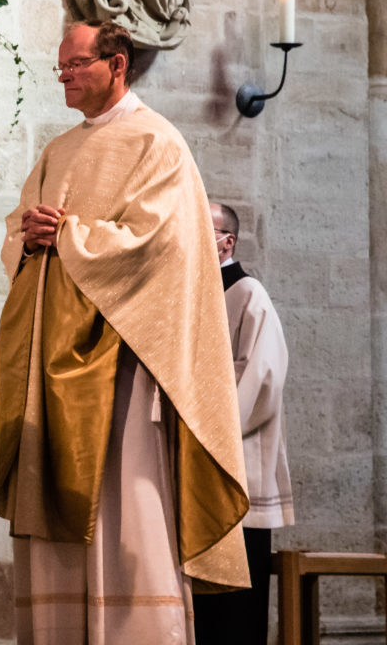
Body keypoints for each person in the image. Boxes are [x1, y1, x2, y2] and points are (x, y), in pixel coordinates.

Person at [0, 21, 249, 642]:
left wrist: (70, 236)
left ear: (117, 64)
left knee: (124, 506)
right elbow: (21, 236)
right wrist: (28, 238)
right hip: (52, 360)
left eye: (76, 65)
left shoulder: (157, 143)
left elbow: (159, 246)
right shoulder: (57, 149)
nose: (66, 77)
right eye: (60, 68)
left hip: (123, 368)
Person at [193, 202, 292, 645]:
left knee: (236, 611)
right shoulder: (197, 294)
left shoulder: (248, 294)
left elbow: (264, 377)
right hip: (197, 470)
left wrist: (211, 432)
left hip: (237, 468)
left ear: (226, 241)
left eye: (203, 230)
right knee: (204, 610)